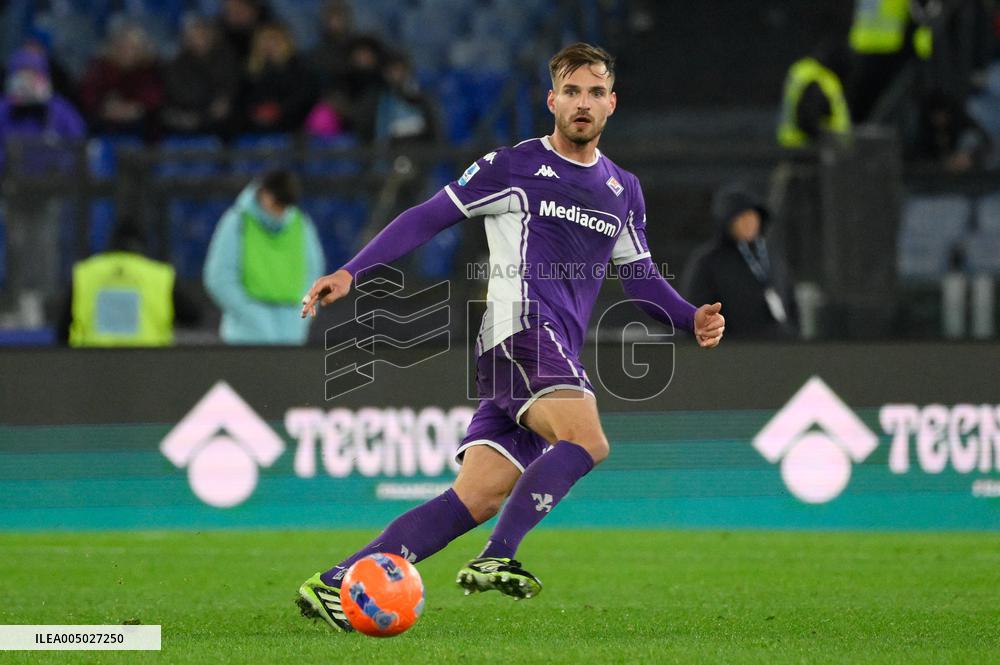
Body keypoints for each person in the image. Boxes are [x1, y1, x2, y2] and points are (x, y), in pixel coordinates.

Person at [295, 43, 725, 632]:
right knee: (587, 439)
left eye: (595, 92)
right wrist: (352, 271)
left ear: (612, 103)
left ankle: (335, 581)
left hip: (538, 353)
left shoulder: (623, 189)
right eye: (571, 91)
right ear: (552, 101)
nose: (582, 103)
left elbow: (640, 277)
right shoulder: (513, 166)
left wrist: (688, 317)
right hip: (520, 333)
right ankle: (498, 556)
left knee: (475, 498)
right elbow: (429, 214)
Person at [0, 47, 86, 327]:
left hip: (48, 192)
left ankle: (44, 303)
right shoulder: (4, 109)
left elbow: (77, 145)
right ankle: (17, 303)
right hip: (13, 192)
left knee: (45, 245)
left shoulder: (58, 110)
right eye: (21, 73)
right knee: (15, 246)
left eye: (32, 73)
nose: (26, 80)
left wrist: (57, 168)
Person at [203, 170, 325, 345]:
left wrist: (299, 316)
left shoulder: (301, 224)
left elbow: (314, 275)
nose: (281, 213)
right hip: (245, 339)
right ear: (264, 195)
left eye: (285, 207)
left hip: (291, 336)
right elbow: (219, 277)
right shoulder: (237, 222)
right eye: (277, 205)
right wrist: (250, 316)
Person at [682, 183, 798, 339]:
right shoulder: (708, 262)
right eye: (741, 217)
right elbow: (697, 313)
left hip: (779, 347)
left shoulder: (771, 257)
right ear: (727, 222)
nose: (749, 222)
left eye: (753, 216)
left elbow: (791, 302)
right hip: (732, 349)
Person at [62, 218, 200, 346]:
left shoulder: (85, 273)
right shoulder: (159, 276)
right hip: (150, 359)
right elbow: (192, 316)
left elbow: (63, 327)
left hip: (91, 359)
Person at [78, 21, 164, 138]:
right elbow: (88, 94)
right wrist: (105, 106)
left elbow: (154, 96)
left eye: (132, 47)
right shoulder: (100, 66)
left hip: (138, 119)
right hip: (104, 117)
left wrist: (135, 108)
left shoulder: (149, 68)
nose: (127, 51)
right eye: (122, 46)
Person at [161, 15, 239, 136]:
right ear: (186, 41)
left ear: (211, 37)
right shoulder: (177, 64)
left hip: (217, 114)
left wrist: (225, 99)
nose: (198, 41)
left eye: (202, 36)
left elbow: (231, 85)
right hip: (189, 111)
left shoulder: (226, 58)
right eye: (193, 37)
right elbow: (179, 93)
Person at [236, 23, 315, 134]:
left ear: (285, 42)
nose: (268, 45)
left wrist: (278, 110)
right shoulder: (251, 70)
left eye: (273, 40)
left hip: (291, 120)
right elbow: (244, 98)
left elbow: (303, 96)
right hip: (255, 121)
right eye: (264, 41)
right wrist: (257, 111)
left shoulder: (299, 66)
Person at [777, 43, 853, 148]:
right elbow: (808, 117)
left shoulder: (802, 70)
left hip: (794, 143)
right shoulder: (820, 78)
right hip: (812, 148)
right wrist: (827, 138)